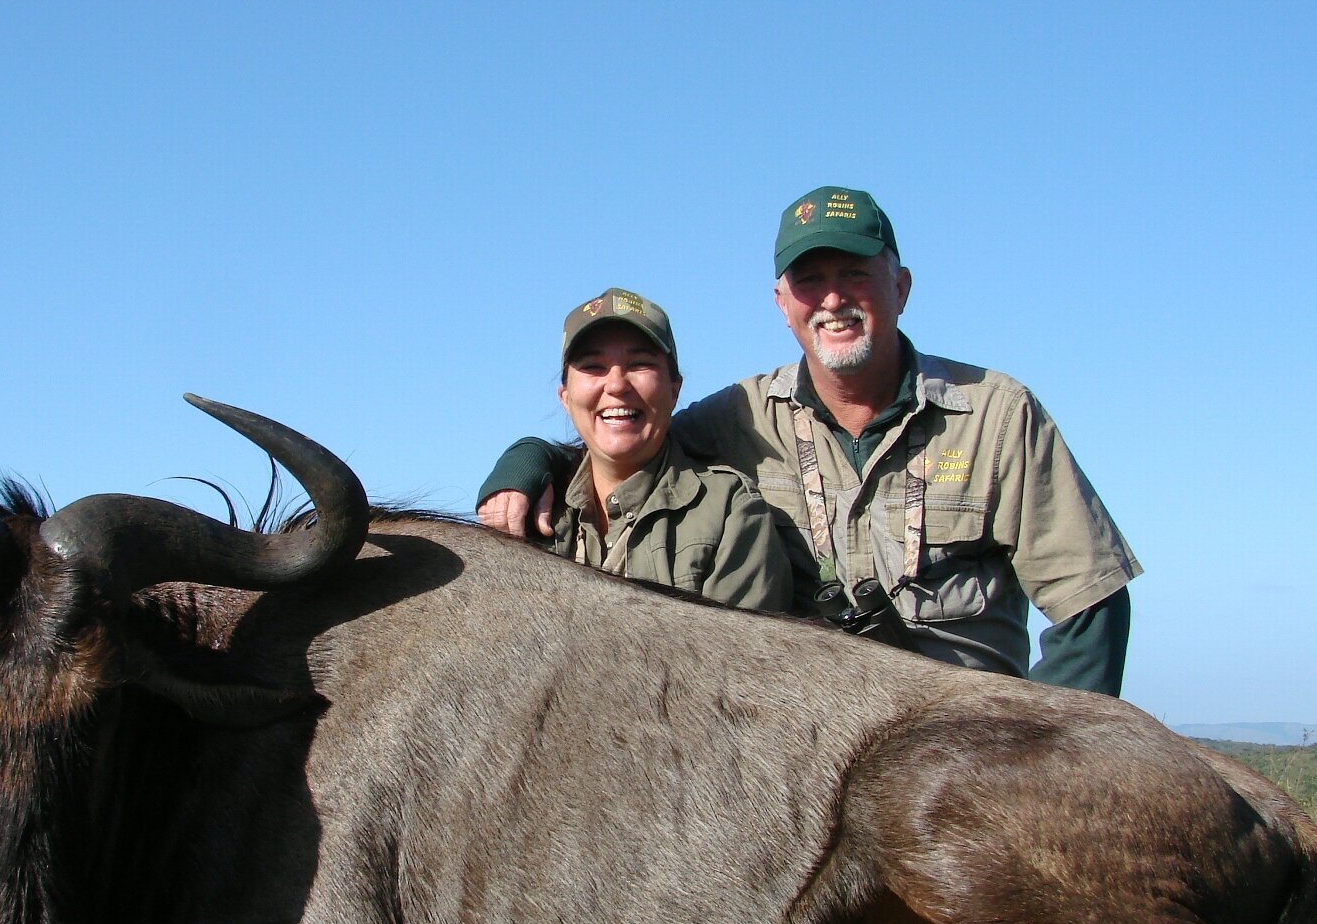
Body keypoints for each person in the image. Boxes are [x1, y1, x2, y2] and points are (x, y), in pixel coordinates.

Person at [479, 188, 1140, 694]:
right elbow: (623, 443)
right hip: (823, 761)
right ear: (782, 302)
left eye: (854, 273)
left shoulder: (997, 415)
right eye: (809, 279)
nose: (832, 298)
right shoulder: (741, 415)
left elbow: (1092, 607)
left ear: (900, 287)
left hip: (968, 740)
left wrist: (1043, 763)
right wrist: (524, 461)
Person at [530, 286, 792, 612]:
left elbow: (746, 659)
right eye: (593, 366)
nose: (616, 385)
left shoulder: (730, 511)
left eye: (639, 364)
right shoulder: (530, 513)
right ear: (565, 398)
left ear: (674, 389)